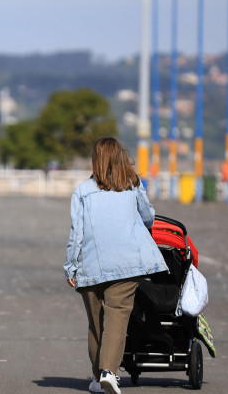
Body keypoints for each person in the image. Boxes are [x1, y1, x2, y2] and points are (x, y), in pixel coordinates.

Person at [64, 137, 167, 394]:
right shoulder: (132, 185)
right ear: (121, 157)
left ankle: (98, 376)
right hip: (125, 264)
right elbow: (148, 217)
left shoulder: (82, 191)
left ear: (95, 161)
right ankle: (109, 371)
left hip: (90, 266)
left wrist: (70, 267)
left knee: (95, 323)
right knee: (117, 319)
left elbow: (77, 233)